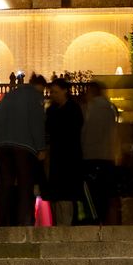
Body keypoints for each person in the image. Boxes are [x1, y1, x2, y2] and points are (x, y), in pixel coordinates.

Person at [0, 73, 45, 226]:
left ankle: (5, 221)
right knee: (25, 185)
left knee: (5, 184)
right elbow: (37, 123)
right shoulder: (35, 96)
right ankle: (24, 221)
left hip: (3, 146)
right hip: (25, 148)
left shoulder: (10, 95)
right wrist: (41, 147)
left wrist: (0, 137)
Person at [43, 78, 84, 226]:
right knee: (56, 196)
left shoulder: (73, 109)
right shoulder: (52, 110)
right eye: (51, 92)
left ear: (65, 91)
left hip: (69, 157)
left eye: (55, 92)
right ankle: (58, 225)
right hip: (55, 158)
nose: (52, 95)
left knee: (65, 194)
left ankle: (65, 226)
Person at [81, 81, 120, 225]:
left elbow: (84, 132)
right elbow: (115, 133)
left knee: (92, 194)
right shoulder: (110, 108)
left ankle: (95, 222)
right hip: (108, 156)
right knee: (106, 193)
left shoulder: (88, 109)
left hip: (90, 155)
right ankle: (106, 222)